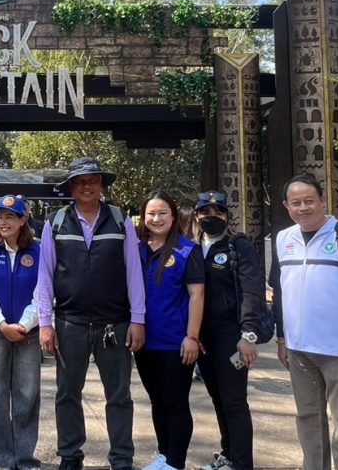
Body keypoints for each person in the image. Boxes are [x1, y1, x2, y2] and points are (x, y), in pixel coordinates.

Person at [35, 157, 145, 470]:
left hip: (115, 323)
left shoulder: (120, 220)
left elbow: (134, 273)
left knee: (119, 395)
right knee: (67, 394)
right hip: (69, 323)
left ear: (101, 185)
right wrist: (45, 323)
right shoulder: (56, 222)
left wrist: (138, 319)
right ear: (71, 187)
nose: (87, 186)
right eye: (80, 181)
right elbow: (45, 275)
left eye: (93, 180)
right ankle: (70, 455)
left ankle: (121, 458)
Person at [270, 174, 338, 470]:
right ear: (286, 206)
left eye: (309, 201)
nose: (303, 208)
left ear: (323, 201)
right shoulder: (283, 239)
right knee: (308, 420)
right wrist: (281, 338)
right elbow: (280, 292)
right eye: (296, 203)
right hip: (298, 349)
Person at [191, 191, 265, 470]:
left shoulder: (238, 246)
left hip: (231, 334)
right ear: (196, 215)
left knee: (234, 401)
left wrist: (248, 334)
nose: (211, 217)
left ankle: (242, 463)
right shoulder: (192, 247)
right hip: (202, 336)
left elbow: (251, 290)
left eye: (218, 212)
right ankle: (228, 454)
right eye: (205, 212)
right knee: (218, 398)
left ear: (226, 216)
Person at [134, 191, 204, 470]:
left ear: (173, 216)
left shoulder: (187, 251)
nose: (156, 218)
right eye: (151, 213)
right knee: (157, 401)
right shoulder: (136, 249)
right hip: (144, 341)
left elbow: (197, 295)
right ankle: (163, 456)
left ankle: (176, 463)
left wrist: (192, 337)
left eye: (162, 212)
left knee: (175, 403)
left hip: (176, 342)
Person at [0, 194, 42, 470]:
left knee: (27, 396)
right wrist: (1, 324)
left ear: (23, 220)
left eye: (10, 217)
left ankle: (25, 458)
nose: (2, 222)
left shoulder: (39, 251)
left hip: (29, 334)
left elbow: (44, 293)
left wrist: (25, 324)